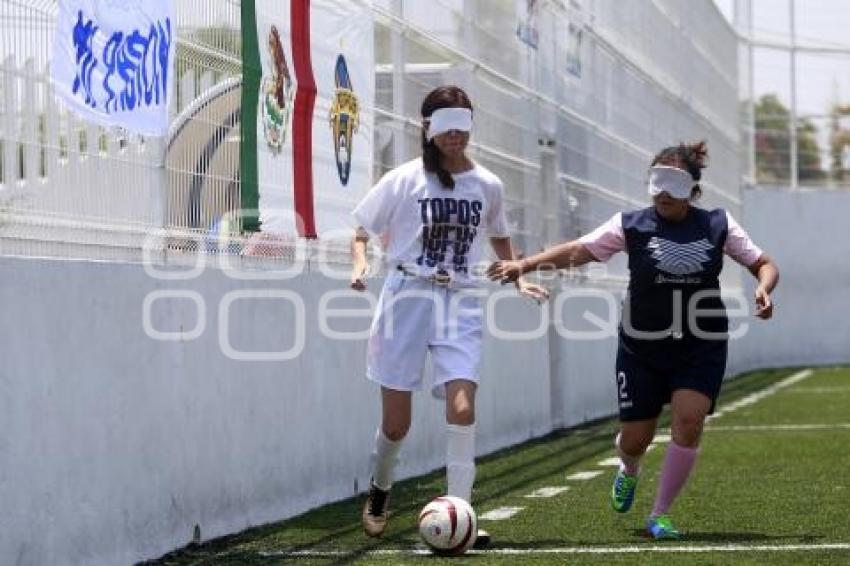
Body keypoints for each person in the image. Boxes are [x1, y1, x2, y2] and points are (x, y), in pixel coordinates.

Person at [487, 141, 779, 540]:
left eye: (673, 184)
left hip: (701, 342)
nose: (662, 192)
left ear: (693, 189)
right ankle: (629, 467)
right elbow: (581, 249)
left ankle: (659, 515)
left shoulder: (718, 224)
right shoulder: (631, 224)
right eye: (656, 181)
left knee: (689, 422)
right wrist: (525, 263)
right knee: (636, 438)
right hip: (641, 345)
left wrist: (764, 288)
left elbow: (763, 263)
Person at [350, 85, 549, 546]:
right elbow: (362, 230)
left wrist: (518, 276)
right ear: (427, 127)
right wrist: (360, 263)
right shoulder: (404, 179)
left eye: (463, 124)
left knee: (462, 408)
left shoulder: (488, 184)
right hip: (408, 296)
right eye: (446, 125)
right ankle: (380, 489)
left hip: (459, 297)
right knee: (397, 424)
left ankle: (462, 515)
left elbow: (499, 236)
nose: (456, 134)